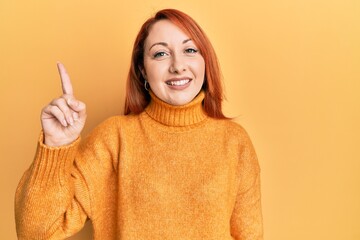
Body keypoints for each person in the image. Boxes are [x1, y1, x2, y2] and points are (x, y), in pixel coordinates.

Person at [15, 9, 263, 240]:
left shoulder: (234, 141)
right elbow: (37, 231)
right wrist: (56, 146)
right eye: (161, 53)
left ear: (205, 61)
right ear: (143, 70)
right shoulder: (114, 138)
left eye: (190, 50)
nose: (177, 66)